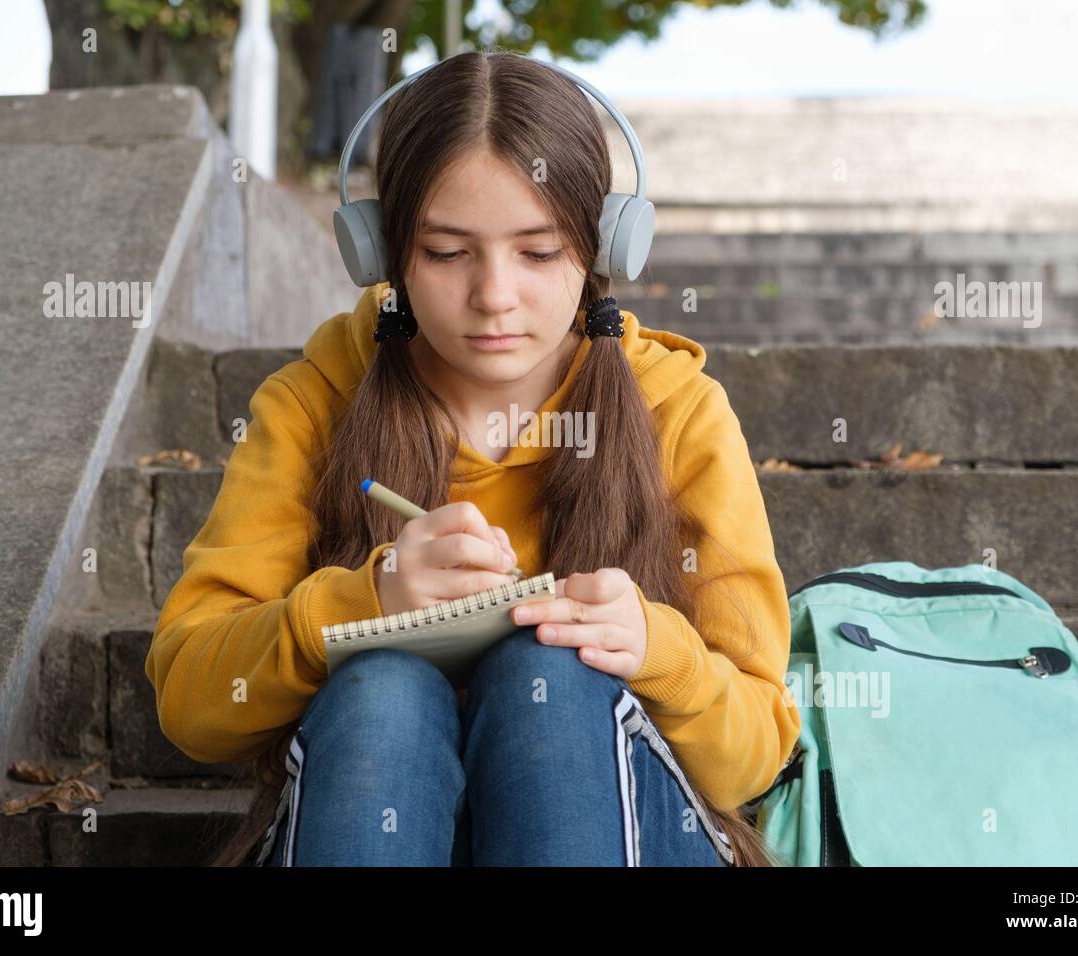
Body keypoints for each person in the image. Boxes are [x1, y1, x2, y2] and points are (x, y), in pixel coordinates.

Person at [144, 49, 801, 867]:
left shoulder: (681, 410)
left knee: (551, 678)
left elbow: (756, 758)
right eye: (448, 253)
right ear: (380, 255)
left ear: (605, 246)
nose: (495, 295)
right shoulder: (314, 402)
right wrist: (363, 602)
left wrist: (656, 652)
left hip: (620, 826)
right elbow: (193, 706)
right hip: (381, 809)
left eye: (538, 251)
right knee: (384, 687)